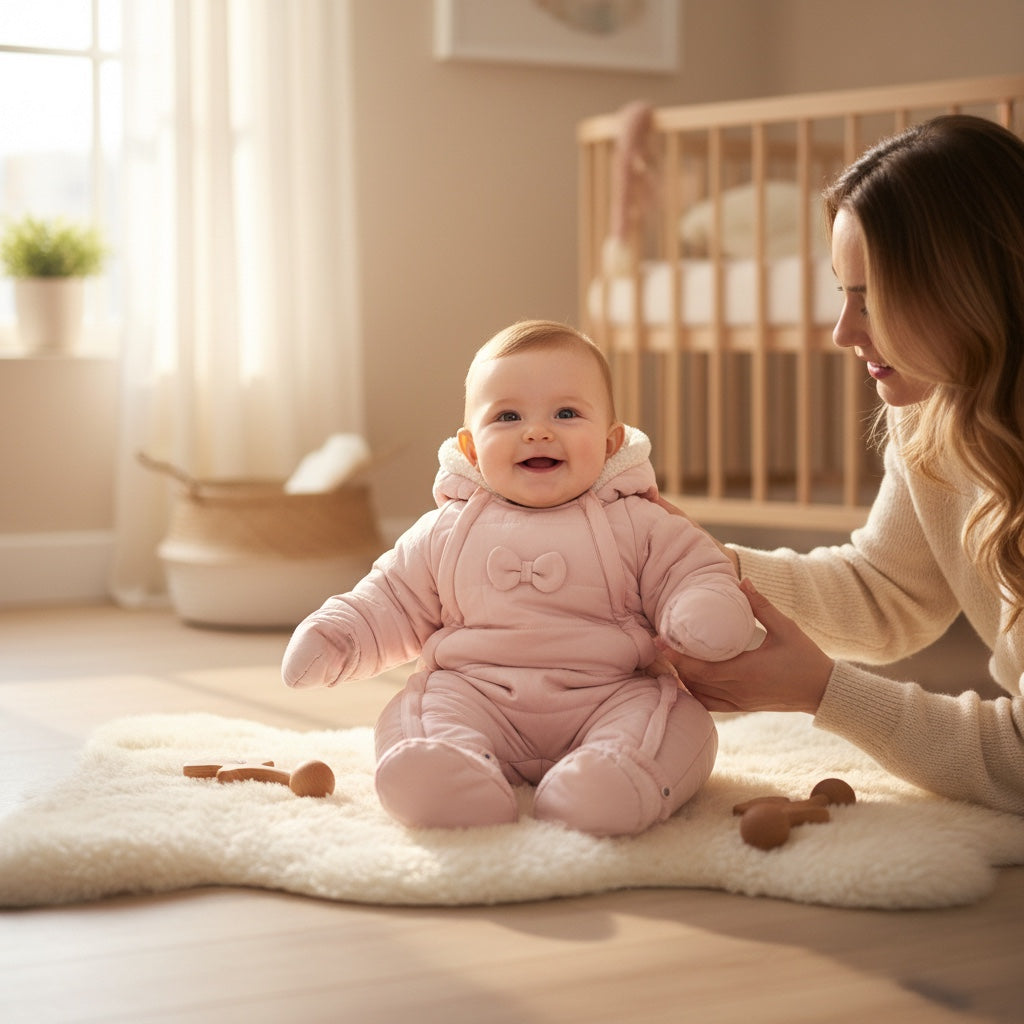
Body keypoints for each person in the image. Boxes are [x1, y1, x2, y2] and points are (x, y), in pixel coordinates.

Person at [659, 114, 1024, 816]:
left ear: (969, 290)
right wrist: (706, 565)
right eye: (842, 294)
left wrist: (820, 691)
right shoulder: (934, 407)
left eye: (873, 298)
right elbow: (888, 595)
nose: (843, 332)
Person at [283, 319, 759, 835]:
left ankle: (610, 780)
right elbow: (391, 597)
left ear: (610, 441)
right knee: (421, 712)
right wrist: (339, 634)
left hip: (610, 693)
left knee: (675, 722)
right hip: (474, 693)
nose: (538, 430)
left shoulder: (638, 522)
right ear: (470, 449)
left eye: (567, 413)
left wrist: (705, 605)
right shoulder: (445, 531)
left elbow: (690, 569)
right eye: (508, 415)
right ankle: (443, 773)